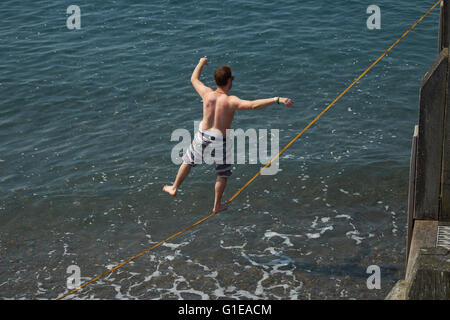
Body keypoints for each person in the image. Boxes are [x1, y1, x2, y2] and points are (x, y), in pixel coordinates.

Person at [163, 57, 293, 213]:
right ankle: (216, 205)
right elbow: (253, 105)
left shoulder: (207, 94)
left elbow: (193, 79)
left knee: (188, 161)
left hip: (202, 136)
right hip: (220, 141)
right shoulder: (231, 101)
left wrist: (201, 63)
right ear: (229, 81)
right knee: (222, 174)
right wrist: (277, 99)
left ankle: (174, 187)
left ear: (217, 81)